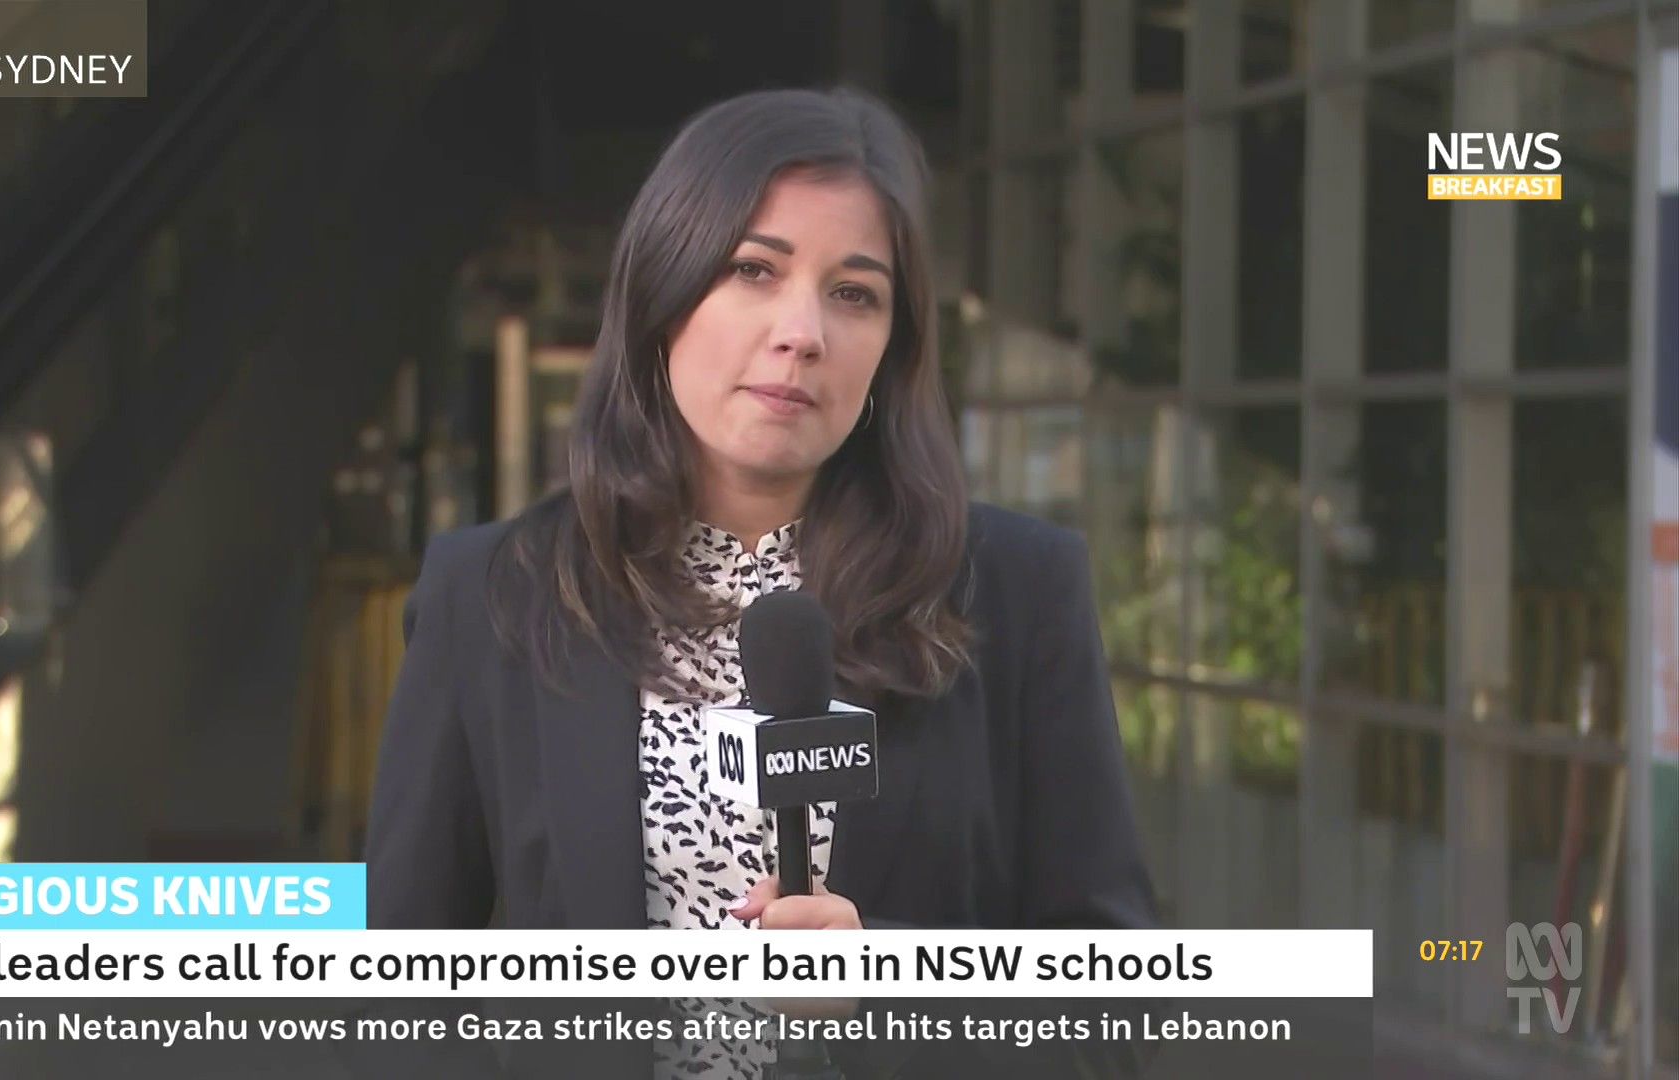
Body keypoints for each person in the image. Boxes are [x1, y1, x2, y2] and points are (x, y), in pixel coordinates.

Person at [364, 86, 1158, 1080]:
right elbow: (398, 998)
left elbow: (1115, 1012)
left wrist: (888, 988)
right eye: (753, 270)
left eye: (855, 293)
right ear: (663, 293)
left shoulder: (1016, 589)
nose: (802, 331)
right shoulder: (493, 593)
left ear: (894, 347)